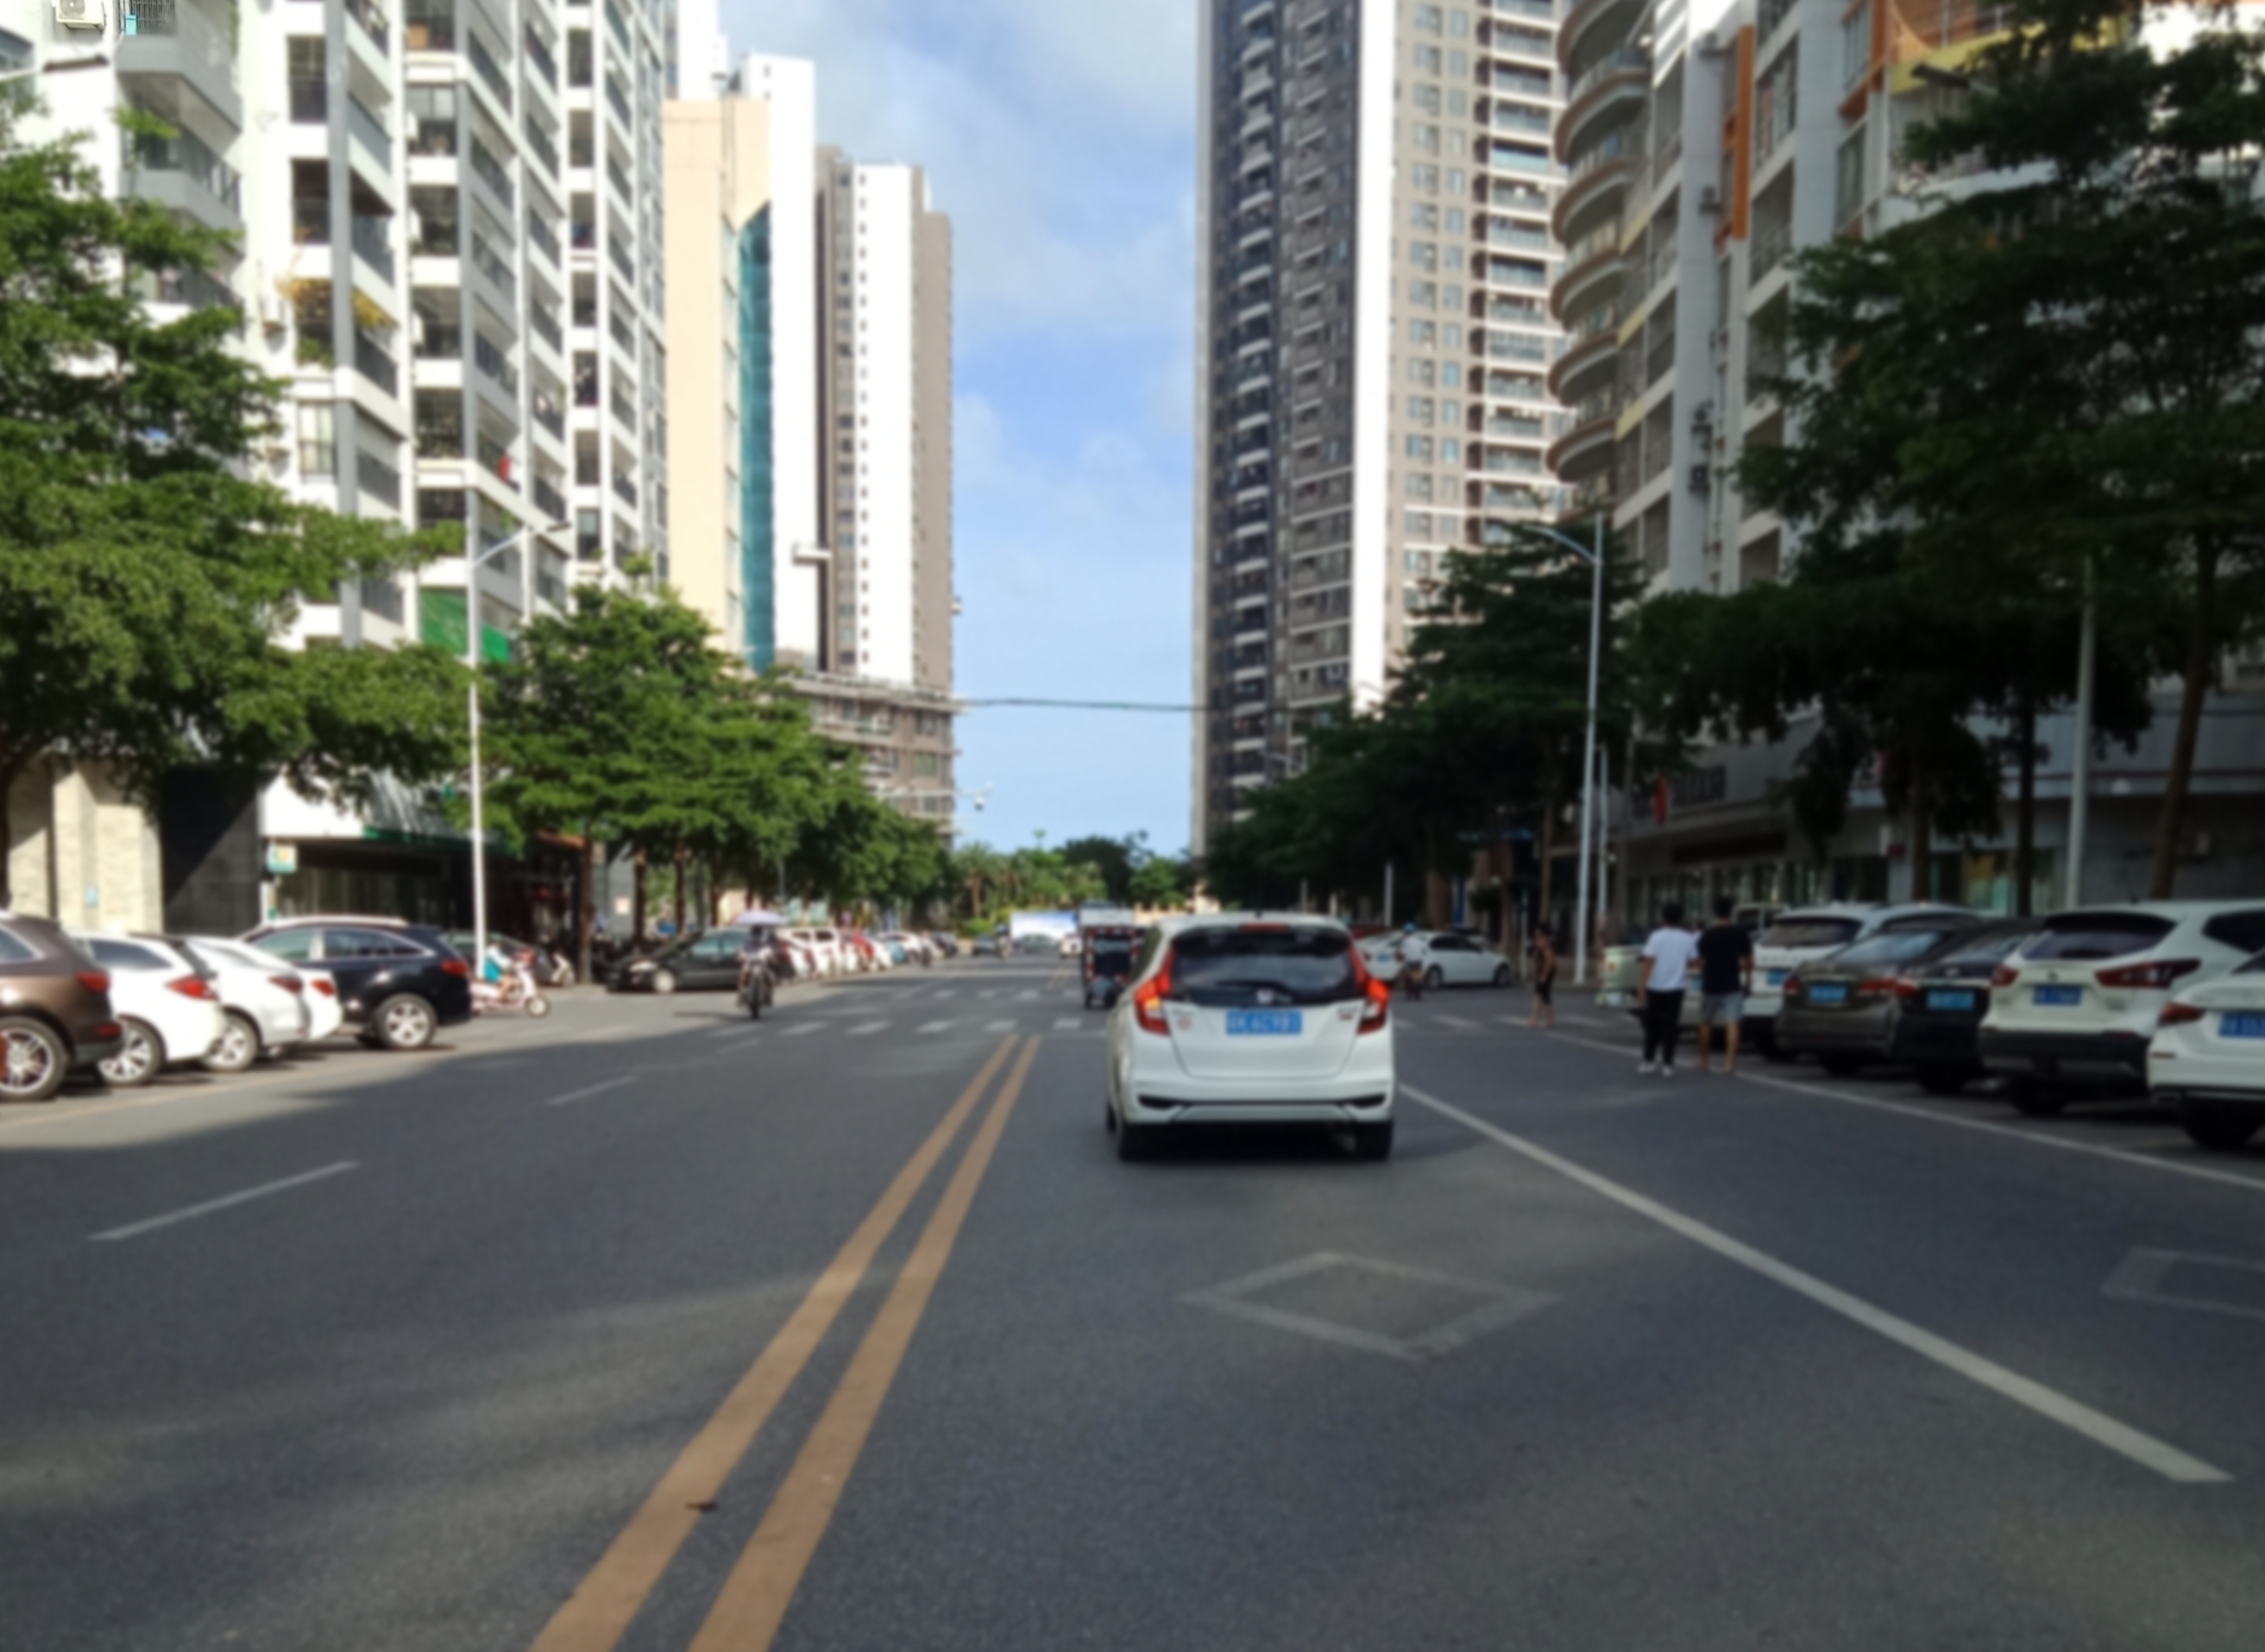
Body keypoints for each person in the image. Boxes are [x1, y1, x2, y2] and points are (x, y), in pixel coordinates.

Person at [1638, 901, 1702, 1076]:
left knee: (1652, 1026)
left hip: (1655, 986)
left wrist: (1642, 987)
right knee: (1671, 1026)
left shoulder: (1656, 936)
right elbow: (1693, 962)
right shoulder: (1687, 938)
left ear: (1662, 917)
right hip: (1677, 987)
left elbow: (1649, 962)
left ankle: (1648, 1060)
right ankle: (1668, 1063)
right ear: (1680, 918)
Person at [1695, 895, 1756, 1074]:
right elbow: (1748, 960)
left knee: (1706, 1022)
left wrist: (1704, 971)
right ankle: (1729, 1064)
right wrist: (1748, 980)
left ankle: (1704, 1060)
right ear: (1732, 912)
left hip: (1711, 983)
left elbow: (1700, 962)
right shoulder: (1740, 934)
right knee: (1733, 1023)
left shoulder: (1707, 935)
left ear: (1715, 912)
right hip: (1732, 983)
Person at [1526, 925, 1558, 1028]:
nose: (1538, 939)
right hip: (1541, 975)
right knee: (1544, 998)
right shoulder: (1541, 947)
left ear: (1545, 937)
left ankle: (1536, 1019)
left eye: (1539, 936)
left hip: (1545, 976)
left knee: (1540, 997)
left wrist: (1544, 975)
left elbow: (1549, 963)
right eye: (1536, 937)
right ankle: (1546, 1020)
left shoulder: (1547, 948)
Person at [1398, 923, 1430, 1001]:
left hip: (1409, 962)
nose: (1403, 933)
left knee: (1408, 979)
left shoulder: (1406, 941)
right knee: (1417, 979)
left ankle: (1409, 994)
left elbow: (1402, 953)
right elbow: (1426, 950)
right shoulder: (1419, 941)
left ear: (1407, 932)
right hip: (1418, 962)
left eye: (1404, 931)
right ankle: (1417, 995)